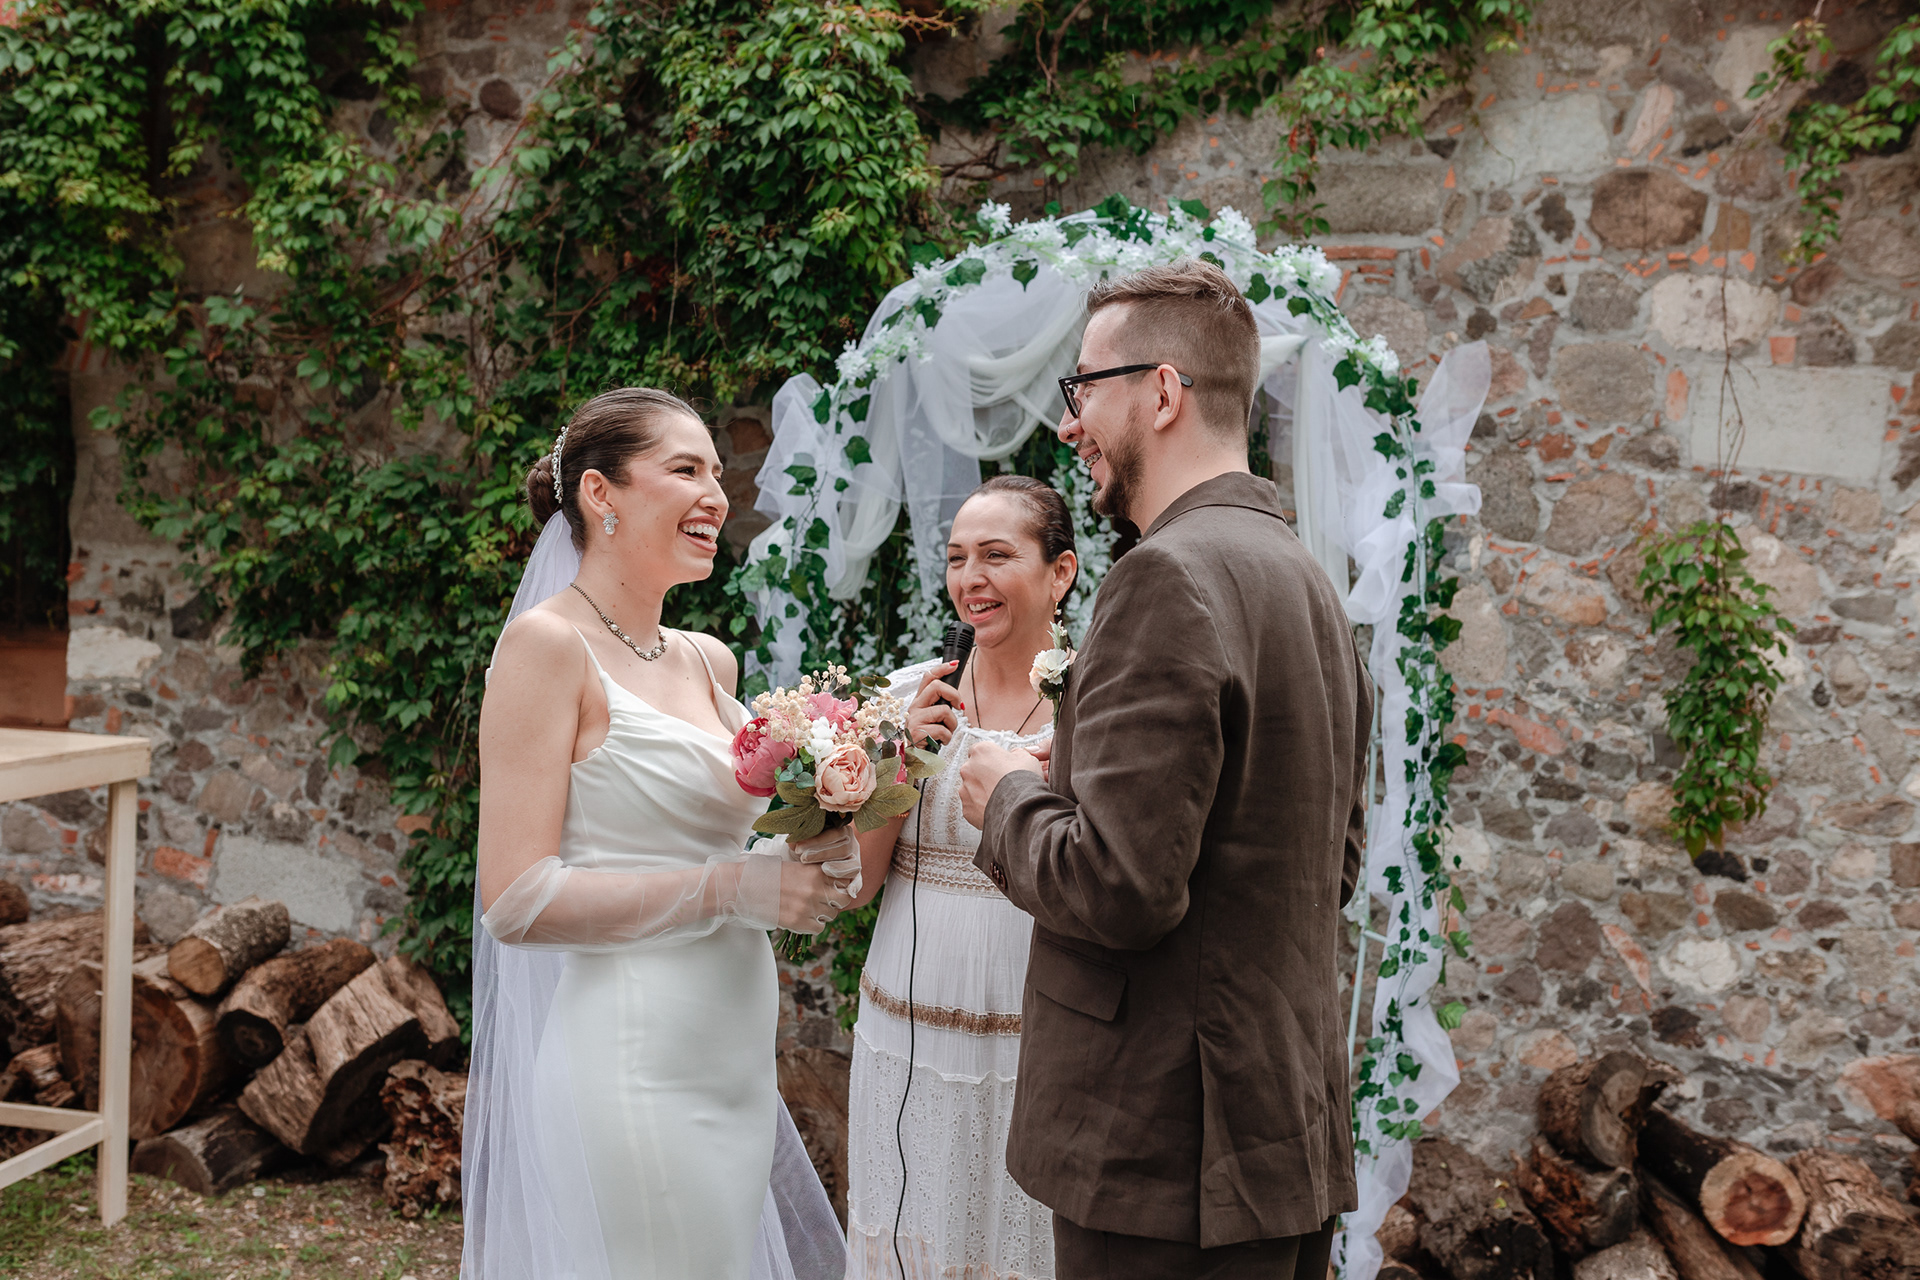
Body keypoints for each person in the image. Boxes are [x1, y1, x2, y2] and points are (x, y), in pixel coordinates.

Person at [957, 261, 1374, 1280]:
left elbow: (1121, 887)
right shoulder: (1306, 579)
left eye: (1083, 387)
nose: (1070, 425)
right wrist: (1080, 770)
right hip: (1279, 1132)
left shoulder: (1166, 576)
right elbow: (1326, 858)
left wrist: (1006, 795)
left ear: (1162, 391)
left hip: (1164, 1150)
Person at [462, 386, 853, 1280]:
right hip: (632, 1062)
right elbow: (516, 900)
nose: (717, 494)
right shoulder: (546, 649)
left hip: (734, 1058)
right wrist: (732, 888)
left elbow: (716, 839)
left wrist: (810, 854)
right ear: (600, 494)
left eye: (717, 471)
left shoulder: (708, 660)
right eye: (685, 470)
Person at [842, 475, 1079, 1279]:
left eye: (996, 555)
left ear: (1060, 571)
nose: (970, 578)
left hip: (1039, 1023)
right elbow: (858, 884)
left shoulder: (1095, 706)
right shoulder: (906, 697)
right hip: (908, 1023)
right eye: (956, 558)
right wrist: (892, 757)